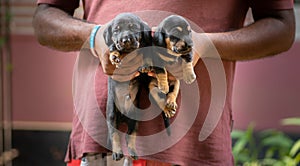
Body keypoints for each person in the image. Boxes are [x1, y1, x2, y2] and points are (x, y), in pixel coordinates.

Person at [32, 0, 295, 166]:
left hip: (192, 145)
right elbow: (45, 17)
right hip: (99, 141)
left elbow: (281, 27)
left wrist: (204, 45)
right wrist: (94, 37)